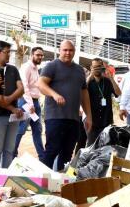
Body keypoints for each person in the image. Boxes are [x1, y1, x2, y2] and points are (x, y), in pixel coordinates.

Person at [39, 40, 92, 171]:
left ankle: (61, 185)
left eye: (71, 50)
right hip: (55, 117)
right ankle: (43, 182)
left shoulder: (80, 70)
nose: (68, 53)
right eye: (65, 50)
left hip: (73, 118)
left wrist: (89, 116)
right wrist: (54, 94)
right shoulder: (52, 66)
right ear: (59, 50)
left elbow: (84, 94)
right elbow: (40, 84)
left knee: (67, 154)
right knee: (52, 150)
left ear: (74, 51)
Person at [0, 40, 24, 168]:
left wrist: (9, 99)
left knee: (9, 149)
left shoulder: (13, 69)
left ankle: (6, 175)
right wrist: (12, 107)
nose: (9, 55)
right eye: (7, 52)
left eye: (9, 52)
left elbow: (21, 88)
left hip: (14, 115)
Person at [14, 46, 45, 159]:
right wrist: (30, 104)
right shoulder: (26, 67)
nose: (40, 57)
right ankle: (12, 154)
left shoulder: (36, 69)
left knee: (38, 130)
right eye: (38, 55)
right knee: (21, 129)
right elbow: (24, 87)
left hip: (35, 102)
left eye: (41, 55)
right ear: (32, 55)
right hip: (26, 102)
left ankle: (42, 157)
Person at [86, 58, 121, 145]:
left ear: (102, 67)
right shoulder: (88, 82)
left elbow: (118, 93)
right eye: (95, 67)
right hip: (93, 122)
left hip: (106, 120)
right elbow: (81, 92)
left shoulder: (108, 81)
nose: (97, 69)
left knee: (106, 146)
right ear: (91, 67)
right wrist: (91, 75)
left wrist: (111, 78)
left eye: (99, 66)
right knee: (92, 147)